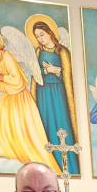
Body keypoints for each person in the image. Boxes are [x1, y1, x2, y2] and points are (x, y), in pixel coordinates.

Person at [0, 25, 59, 172]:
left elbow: (17, 81)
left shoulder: (6, 56)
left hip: (20, 97)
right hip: (8, 96)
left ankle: (28, 156)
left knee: (23, 130)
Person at [29, 21, 79, 175]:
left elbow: (69, 77)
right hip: (44, 93)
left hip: (59, 94)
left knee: (61, 126)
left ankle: (68, 168)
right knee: (46, 126)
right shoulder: (38, 52)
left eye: (42, 34)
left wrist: (57, 73)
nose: (40, 38)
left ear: (49, 32)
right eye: (37, 36)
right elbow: (35, 75)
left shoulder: (62, 52)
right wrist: (46, 70)